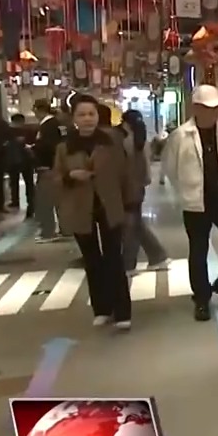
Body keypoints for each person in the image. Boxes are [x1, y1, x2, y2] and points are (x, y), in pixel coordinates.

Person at [161, 84, 218, 321]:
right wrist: (185, 191)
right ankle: (201, 298)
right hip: (195, 202)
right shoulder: (180, 136)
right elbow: (170, 168)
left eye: (216, 108)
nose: (212, 113)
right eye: (207, 108)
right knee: (198, 250)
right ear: (195, 108)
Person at [54, 95, 133, 330]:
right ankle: (102, 308)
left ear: (98, 116)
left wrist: (129, 202)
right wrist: (70, 176)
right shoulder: (64, 148)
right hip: (80, 208)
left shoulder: (111, 142)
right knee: (92, 260)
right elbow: (55, 177)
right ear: (74, 118)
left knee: (114, 258)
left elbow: (125, 173)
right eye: (82, 114)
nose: (87, 119)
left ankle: (122, 312)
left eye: (91, 114)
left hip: (110, 206)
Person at [119, 108, 170, 273]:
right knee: (135, 223)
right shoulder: (142, 139)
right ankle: (158, 256)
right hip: (138, 187)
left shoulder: (125, 141)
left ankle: (129, 264)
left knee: (130, 226)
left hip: (128, 188)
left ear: (125, 123)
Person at [31, 99, 65, 242]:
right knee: (58, 200)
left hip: (48, 168)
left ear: (38, 109)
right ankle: (65, 229)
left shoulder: (48, 125)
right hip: (54, 167)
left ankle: (48, 232)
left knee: (45, 200)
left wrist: (34, 148)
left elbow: (49, 146)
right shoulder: (57, 124)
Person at [6, 113, 37, 218]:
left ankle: (17, 201)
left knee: (15, 182)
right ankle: (30, 202)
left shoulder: (9, 132)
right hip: (25, 161)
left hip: (15, 161)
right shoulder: (29, 131)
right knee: (28, 183)